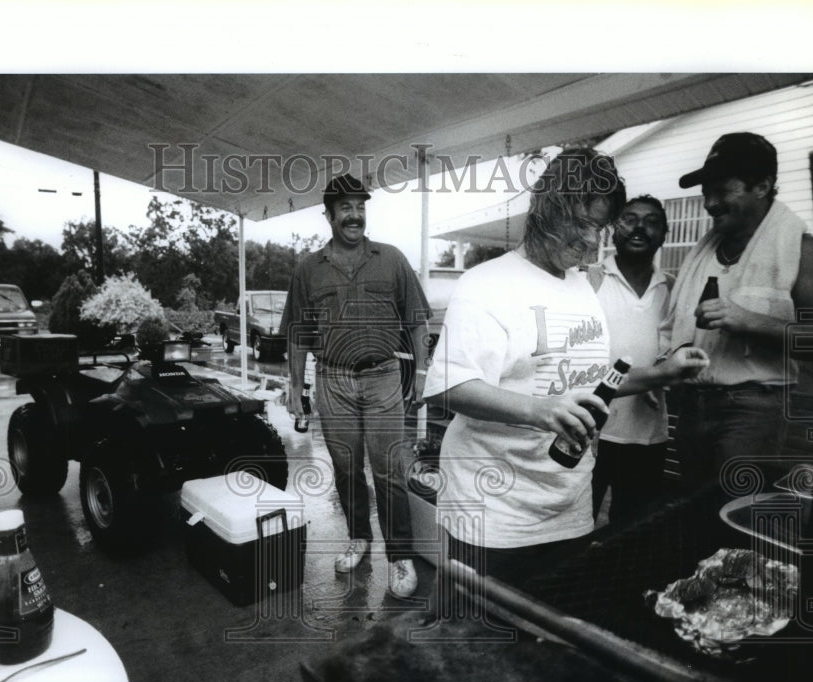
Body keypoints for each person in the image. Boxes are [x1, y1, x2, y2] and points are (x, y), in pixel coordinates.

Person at [422, 148, 709, 587]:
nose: (592, 242)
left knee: (545, 638)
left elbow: (593, 383)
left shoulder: (580, 287)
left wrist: (666, 373)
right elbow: (449, 387)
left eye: (599, 228)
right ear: (544, 208)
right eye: (580, 224)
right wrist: (543, 411)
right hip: (494, 509)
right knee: (478, 639)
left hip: (568, 505)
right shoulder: (486, 284)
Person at [280, 174, 431, 599]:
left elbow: (417, 320)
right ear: (328, 215)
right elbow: (297, 334)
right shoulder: (308, 269)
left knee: (391, 472)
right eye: (345, 207)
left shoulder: (393, 259)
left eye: (360, 206)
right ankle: (359, 537)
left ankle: (399, 555)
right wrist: (296, 387)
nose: (355, 214)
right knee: (346, 467)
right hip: (332, 379)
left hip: (383, 377)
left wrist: (420, 374)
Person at [660, 132, 813, 494]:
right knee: (688, 511)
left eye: (723, 190)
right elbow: (671, 330)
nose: (710, 204)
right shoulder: (701, 253)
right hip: (693, 403)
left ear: (762, 186)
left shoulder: (800, 248)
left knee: (731, 517)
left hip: (752, 409)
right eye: (707, 193)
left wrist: (749, 320)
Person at [587, 195, 675, 526]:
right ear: (613, 230)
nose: (639, 227)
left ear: (664, 233)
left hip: (648, 433)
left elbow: (674, 352)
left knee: (630, 534)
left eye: (651, 221)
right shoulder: (590, 280)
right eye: (629, 219)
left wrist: (661, 376)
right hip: (592, 430)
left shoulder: (673, 289)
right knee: (575, 529)